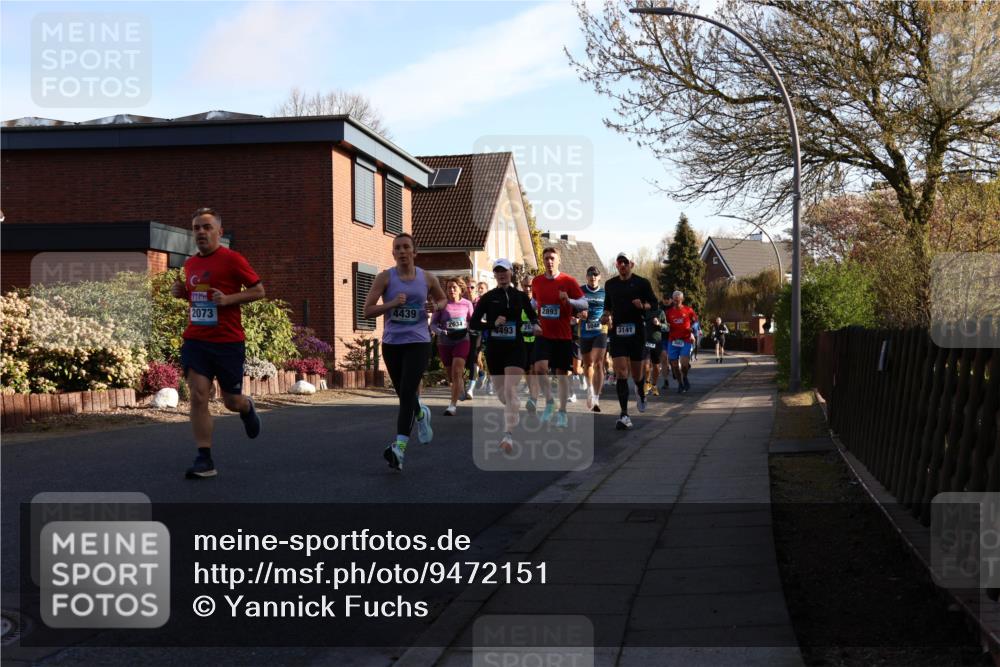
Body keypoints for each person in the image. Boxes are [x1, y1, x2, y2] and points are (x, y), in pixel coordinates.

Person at [171, 207, 265, 479]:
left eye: (207, 227)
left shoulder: (232, 259)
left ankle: (246, 407)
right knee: (199, 394)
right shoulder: (190, 264)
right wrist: (182, 294)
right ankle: (204, 458)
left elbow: (259, 290)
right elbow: (198, 297)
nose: (201, 232)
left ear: (219, 232)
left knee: (230, 401)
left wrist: (228, 299)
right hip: (196, 340)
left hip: (228, 341)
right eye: (197, 227)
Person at [363, 233, 447, 472]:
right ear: (393, 253)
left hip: (419, 342)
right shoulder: (384, 278)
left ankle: (399, 448)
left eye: (405, 247)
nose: (401, 251)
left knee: (408, 391)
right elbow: (367, 310)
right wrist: (391, 304)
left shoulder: (427, 278)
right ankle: (421, 415)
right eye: (397, 248)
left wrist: (436, 306)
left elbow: (442, 300)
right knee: (404, 395)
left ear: (414, 252)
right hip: (392, 344)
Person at [470, 259, 540, 452]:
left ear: (510, 273)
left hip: (515, 349)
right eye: (497, 271)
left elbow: (532, 315)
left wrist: (535, 324)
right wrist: (493, 325)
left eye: (504, 271)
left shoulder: (519, 296)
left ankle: (508, 435)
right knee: (503, 395)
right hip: (494, 350)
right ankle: (514, 408)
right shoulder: (488, 297)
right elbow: (474, 324)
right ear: (494, 275)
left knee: (510, 390)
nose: (501, 274)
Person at [531, 247, 588, 428]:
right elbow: (534, 302)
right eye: (546, 258)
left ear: (559, 260)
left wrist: (569, 301)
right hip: (543, 334)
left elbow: (584, 302)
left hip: (563, 335)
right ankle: (549, 402)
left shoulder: (568, 281)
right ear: (543, 260)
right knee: (539, 369)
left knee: (562, 374)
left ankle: (562, 411)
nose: (549, 261)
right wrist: (529, 316)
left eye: (552, 258)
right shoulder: (537, 281)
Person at [602, 251, 658, 430]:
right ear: (616, 266)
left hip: (637, 333)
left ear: (631, 265)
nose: (623, 265)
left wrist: (642, 306)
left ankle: (641, 391)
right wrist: (605, 316)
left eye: (625, 262)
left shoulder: (642, 283)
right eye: (619, 263)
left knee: (637, 374)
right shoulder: (610, 284)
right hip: (618, 332)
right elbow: (607, 307)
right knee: (621, 373)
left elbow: (654, 304)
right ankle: (624, 414)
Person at [430, 277, 475, 415]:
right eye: (449, 287)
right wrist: (439, 331)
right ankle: (459, 387)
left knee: (457, 371)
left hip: (462, 339)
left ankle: (452, 406)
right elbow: (432, 324)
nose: (451, 290)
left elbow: (471, 320)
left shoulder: (467, 304)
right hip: (445, 341)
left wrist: (473, 328)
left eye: (454, 287)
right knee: (451, 375)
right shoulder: (442, 304)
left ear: (460, 289)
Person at [578, 266, 608, 412]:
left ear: (600, 277)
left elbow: (610, 309)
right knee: (588, 363)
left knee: (598, 362)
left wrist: (609, 318)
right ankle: (589, 389)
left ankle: (596, 398)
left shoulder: (604, 292)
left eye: (596, 275)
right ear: (586, 276)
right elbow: (573, 308)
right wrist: (579, 314)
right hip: (585, 331)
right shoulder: (580, 290)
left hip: (600, 330)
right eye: (590, 275)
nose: (593, 277)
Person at [664, 290, 699, 393]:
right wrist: (666, 326)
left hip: (685, 340)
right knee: (674, 365)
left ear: (682, 300)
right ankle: (680, 383)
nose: (676, 302)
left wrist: (693, 329)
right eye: (674, 300)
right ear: (672, 300)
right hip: (673, 341)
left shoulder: (688, 310)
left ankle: (685, 377)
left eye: (678, 300)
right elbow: (665, 325)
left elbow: (696, 321)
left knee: (684, 365)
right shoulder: (668, 312)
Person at [520, 276, 542, 413]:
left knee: (535, 369)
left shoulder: (539, 301)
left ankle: (533, 398)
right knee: (527, 370)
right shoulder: (519, 301)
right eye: (525, 286)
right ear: (522, 286)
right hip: (523, 340)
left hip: (537, 341)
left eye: (530, 286)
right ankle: (532, 394)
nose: (528, 289)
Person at [643, 300, 666, 396]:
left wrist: (659, 324)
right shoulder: (644, 312)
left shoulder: (660, 312)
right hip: (646, 342)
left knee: (656, 367)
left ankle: (654, 385)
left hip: (656, 342)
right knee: (646, 365)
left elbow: (667, 327)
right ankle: (647, 383)